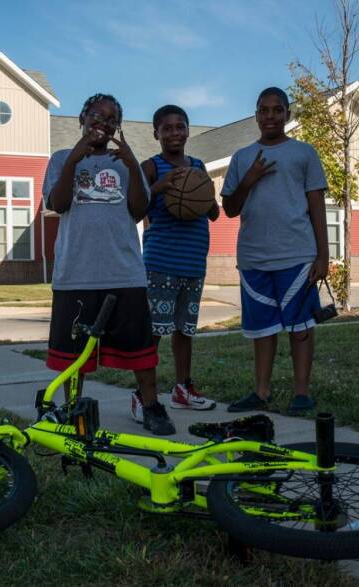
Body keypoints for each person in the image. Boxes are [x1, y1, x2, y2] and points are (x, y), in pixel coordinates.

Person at [42, 93, 176, 436]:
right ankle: (74, 408)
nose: (102, 123)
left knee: (141, 350)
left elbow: (138, 210)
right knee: (74, 354)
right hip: (76, 274)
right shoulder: (60, 158)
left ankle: (151, 406)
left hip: (124, 272)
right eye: (96, 116)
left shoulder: (125, 163)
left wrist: (132, 164)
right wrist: (74, 158)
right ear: (83, 118)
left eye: (110, 118)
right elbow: (58, 204)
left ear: (118, 126)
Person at [220, 87, 329, 417]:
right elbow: (230, 208)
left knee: (300, 325)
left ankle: (301, 393)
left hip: (296, 255)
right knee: (262, 329)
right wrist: (249, 178)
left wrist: (323, 255)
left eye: (277, 110)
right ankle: (261, 391)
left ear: (287, 115)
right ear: (255, 115)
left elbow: (316, 206)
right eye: (263, 110)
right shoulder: (242, 157)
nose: (270, 116)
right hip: (254, 257)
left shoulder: (304, 154)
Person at [132, 105, 220, 423]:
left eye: (179, 127)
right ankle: (143, 395)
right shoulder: (151, 166)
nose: (174, 133)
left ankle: (183, 388)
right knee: (154, 331)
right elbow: (136, 202)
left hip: (193, 260)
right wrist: (163, 188)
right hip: (160, 261)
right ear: (156, 133)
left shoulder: (198, 166)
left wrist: (201, 194)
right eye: (166, 128)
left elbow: (213, 212)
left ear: (187, 131)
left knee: (185, 329)